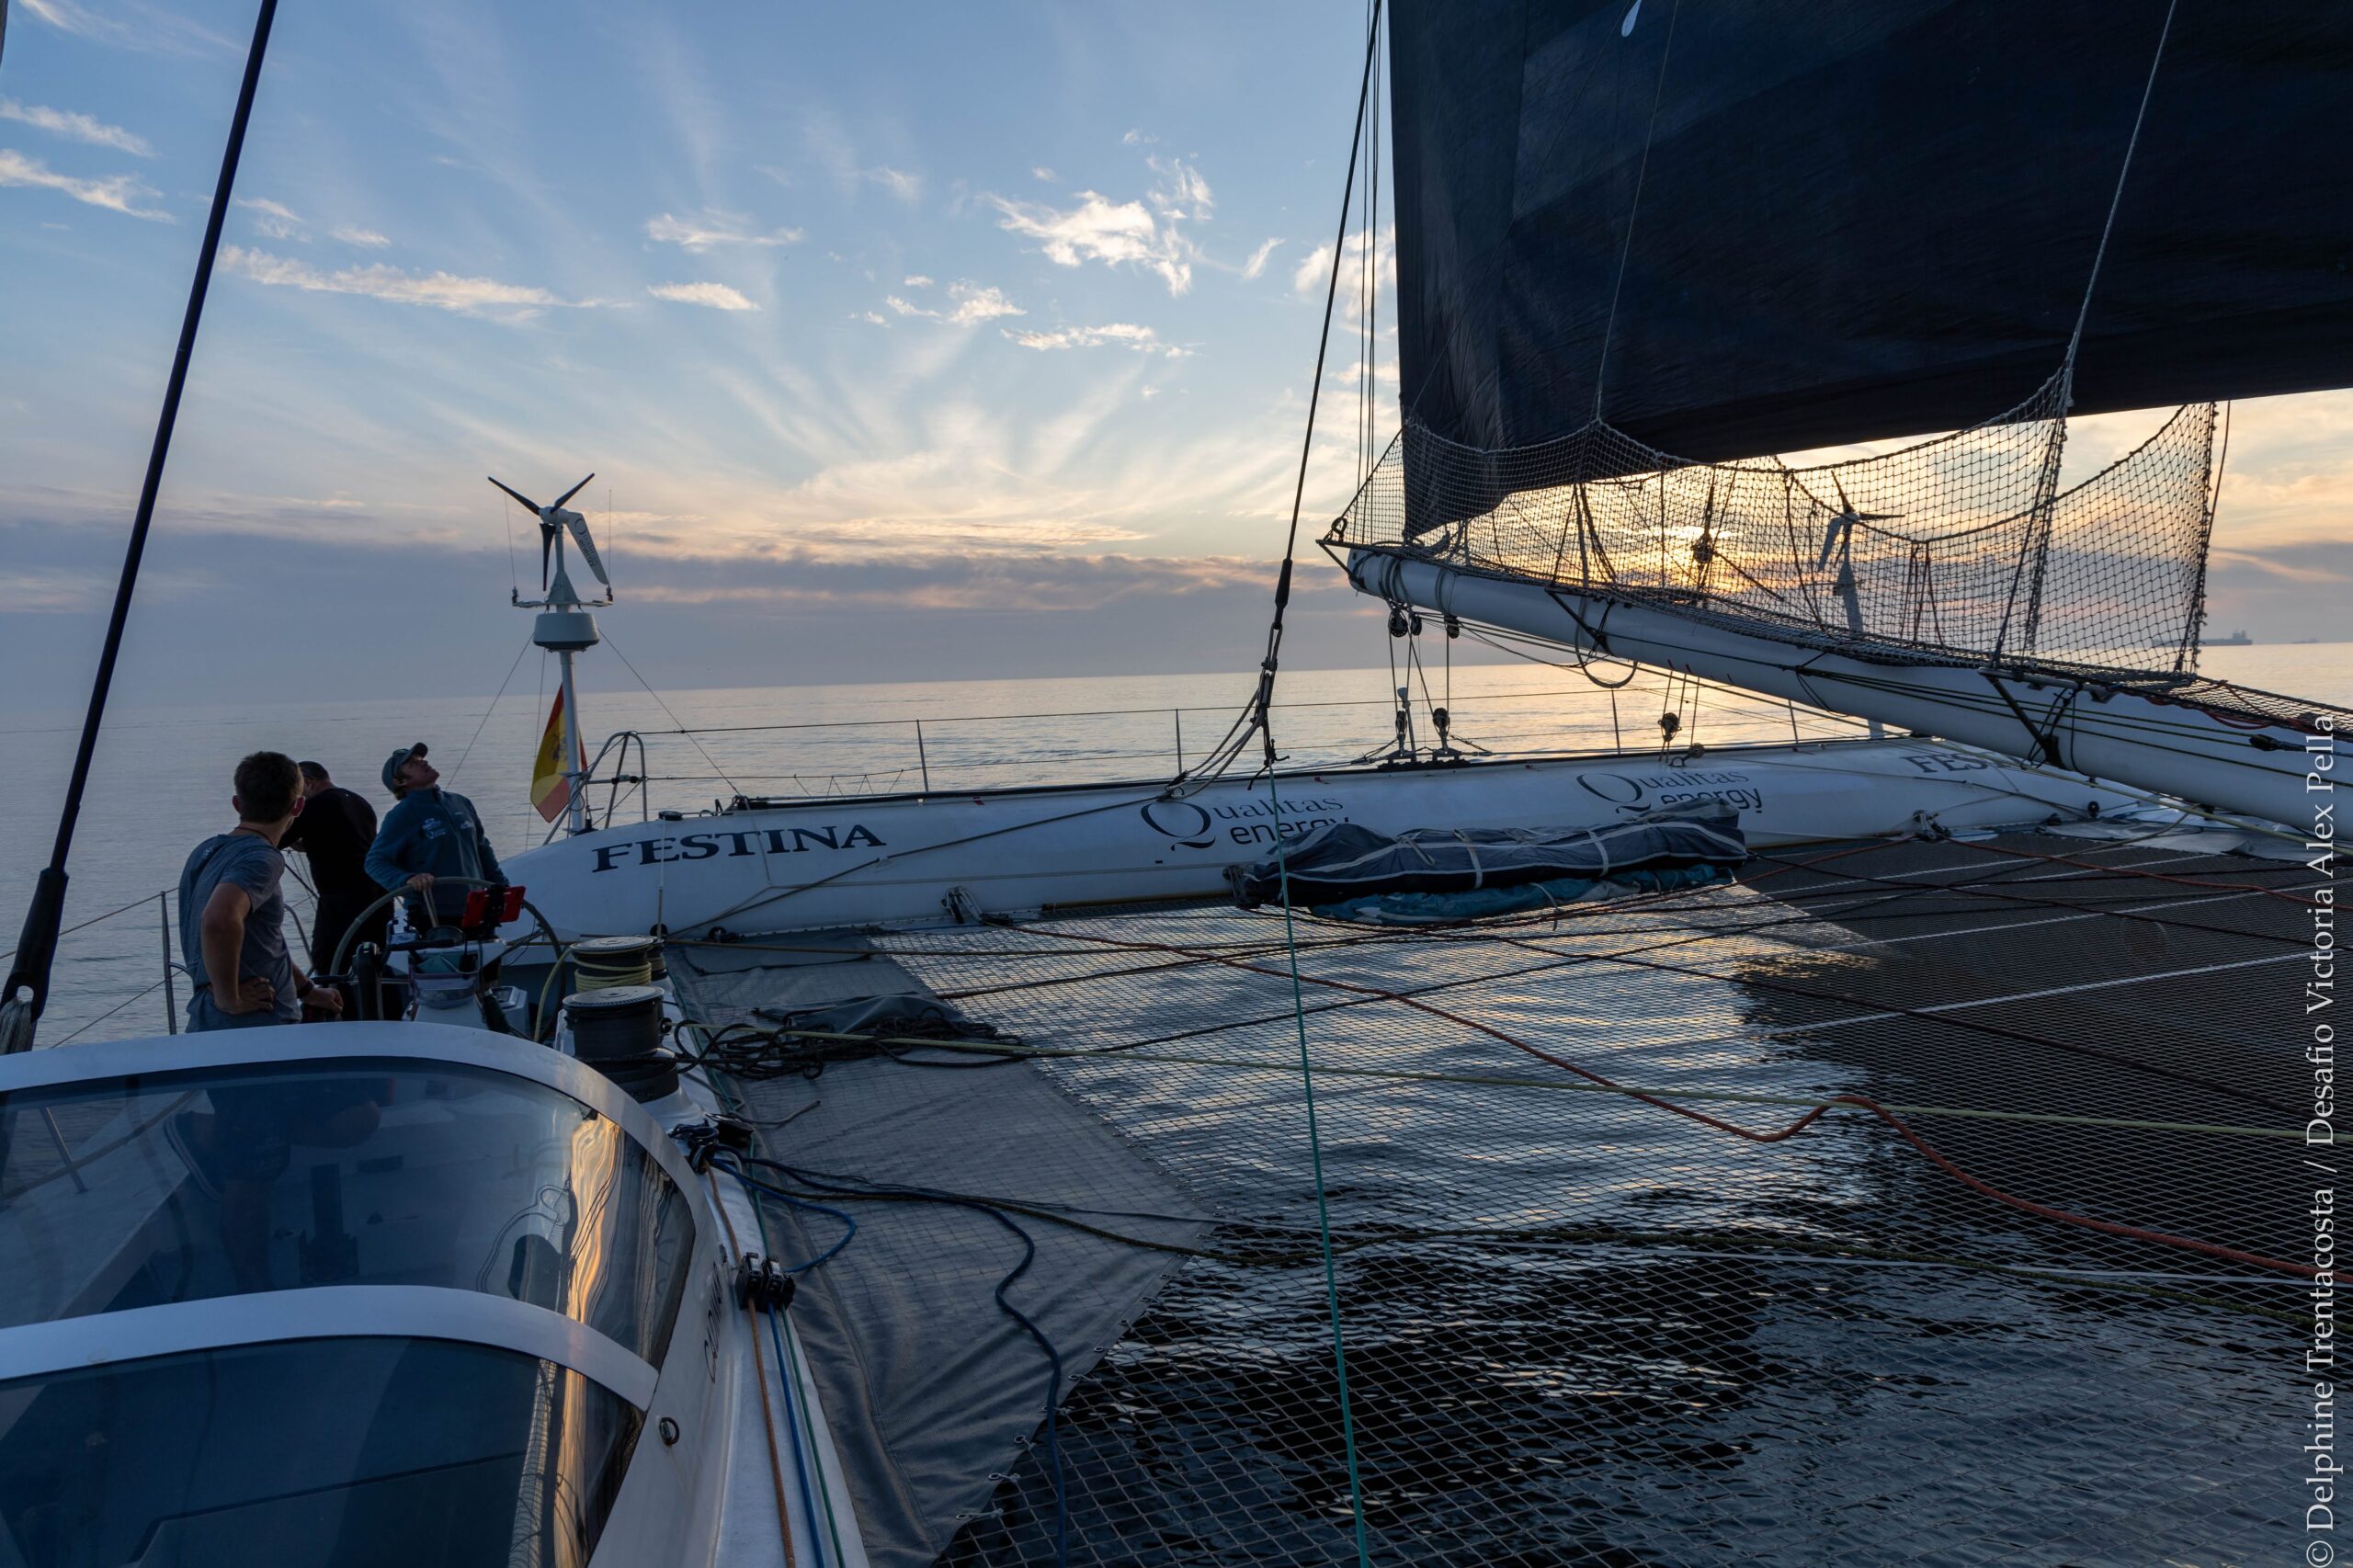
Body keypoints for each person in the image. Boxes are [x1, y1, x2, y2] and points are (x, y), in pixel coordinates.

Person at [176, 750, 344, 1031]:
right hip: (256, 1026)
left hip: (208, 1017)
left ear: (237, 804)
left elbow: (266, 942)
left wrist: (308, 991)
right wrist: (230, 999)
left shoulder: (205, 852)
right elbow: (219, 919)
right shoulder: (263, 857)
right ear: (298, 806)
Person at [366, 741, 507, 930]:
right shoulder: (402, 815)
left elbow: (482, 849)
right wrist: (407, 879)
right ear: (401, 781)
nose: (423, 763)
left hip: (478, 907)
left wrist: (503, 888)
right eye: (413, 764)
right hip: (432, 914)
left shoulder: (460, 802)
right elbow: (375, 862)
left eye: (421, 759)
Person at [279, 760, 386, 979]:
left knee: (328, 962)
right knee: (373, 959)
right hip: (376, 895)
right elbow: (342, 840)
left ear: (308, 783)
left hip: (342, 899)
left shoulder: (314, 806)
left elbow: (274, 839)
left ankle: (339, 1008)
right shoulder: (358, 801)